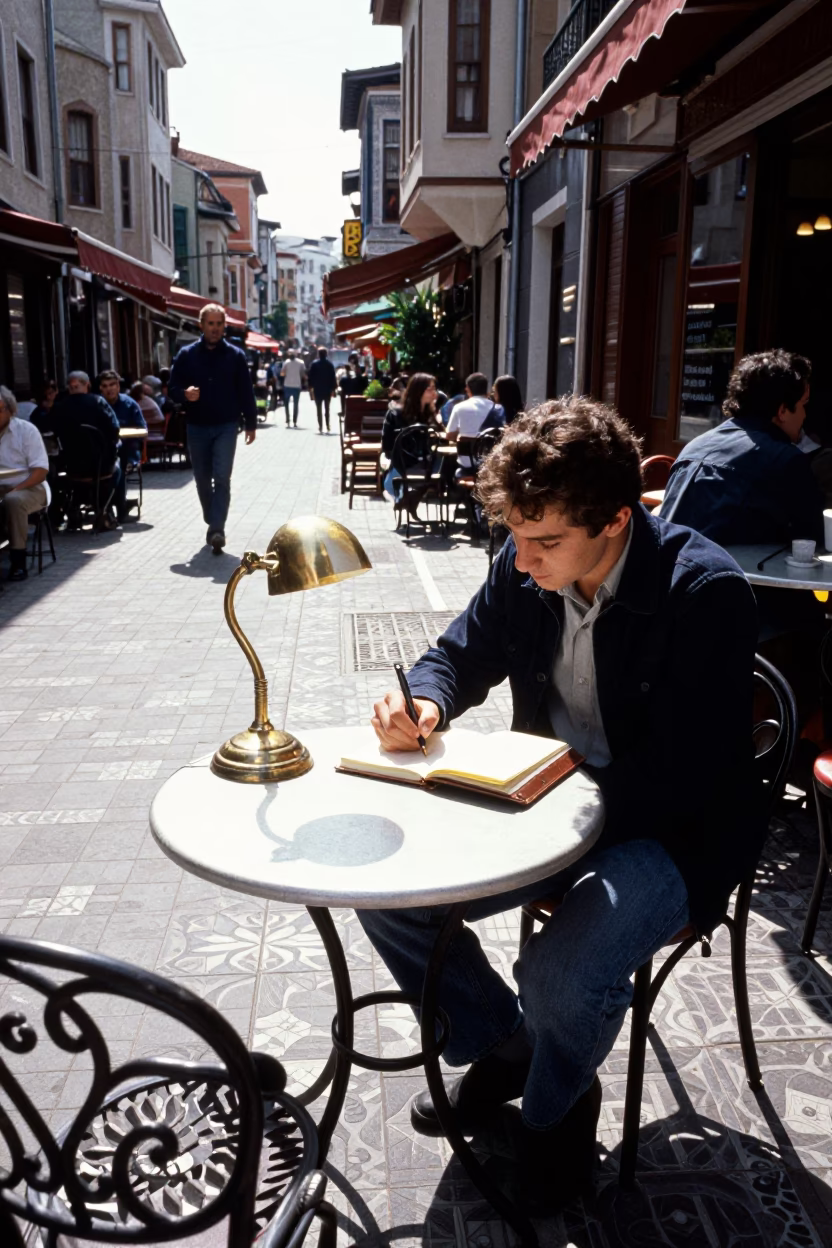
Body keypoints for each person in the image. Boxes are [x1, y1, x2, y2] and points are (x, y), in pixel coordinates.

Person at [359, 397, 763, 1211]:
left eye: (546, 542)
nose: (523, 558)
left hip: (672, 833)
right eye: (516, 534)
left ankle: (555, 1106)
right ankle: (501, 1043)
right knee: (391, 894)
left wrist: (550, 806)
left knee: (564, 974)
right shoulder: (525, 563)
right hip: (545, 809)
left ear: (616, 520)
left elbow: (688, 776)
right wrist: (427, 705)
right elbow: (456, 653)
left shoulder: (702, 590)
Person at [662, 350, 822, 549]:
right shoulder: (786, 460)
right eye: (802, 405)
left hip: (665, 573)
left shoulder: (694, 446)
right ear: (782, 411)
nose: (805, 415)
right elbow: (810, 544)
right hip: (733, 578)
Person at [168, 303, 257, 553]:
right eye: (211, 324)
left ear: (224, 326)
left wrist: (251, 423)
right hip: (196, 426)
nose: (215, 329)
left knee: (222, 478)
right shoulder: (186, 355)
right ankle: (213, 518)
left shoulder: (236, 356)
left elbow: (245, 392)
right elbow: (172, 389)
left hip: (227, 425)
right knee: (202, 481)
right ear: (201, 325)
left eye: (219, 324)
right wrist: (185, 394)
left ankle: (217, 528)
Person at [50, 371, 125, 529]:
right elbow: (114, 429)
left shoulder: (59, 407)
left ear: (69, 387)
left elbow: (53, 433)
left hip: (72, 467)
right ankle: (106, 509)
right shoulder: (98, 402)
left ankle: (75, 507)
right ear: (87, 385)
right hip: (102, 466)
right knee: (118, 467)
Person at [0, 385, 50, 581]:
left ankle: (18, 561)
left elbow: (40, 471)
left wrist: (16, 488)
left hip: (29, 486)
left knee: (13, 500)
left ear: (10, 409)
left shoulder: (26, 431)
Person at [381, 373, 438, 503]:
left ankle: (410, 499)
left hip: (424, 463)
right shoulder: (397, 414)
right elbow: (388, 444)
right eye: (430, 389)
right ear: (418, 391)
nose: (434, 392)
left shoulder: (428, 412)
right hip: (407, 463)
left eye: (434, 388)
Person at [98, 371, 146, 520]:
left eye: (112, 385)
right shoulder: (97, 405)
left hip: (127, 451)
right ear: (100, 388)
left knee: (119, 462)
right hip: (102, 453)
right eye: (105, 386)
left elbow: (142, 429)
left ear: (118, 386)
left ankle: (119, 509)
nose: (109, 389)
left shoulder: (129, 404)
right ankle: (109, 508)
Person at [446, 373, 499, 469]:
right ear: (486, 389)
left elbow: (449, 436)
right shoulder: (497, 408)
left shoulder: (459, 407)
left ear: (468, 389)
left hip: (466, 463)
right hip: (488, 463)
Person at [307, 347, 338, 434]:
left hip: (317, 390)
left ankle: (320, 426)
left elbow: (310, 377)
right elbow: (333, 378)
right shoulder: (329, 364)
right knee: (327, 409)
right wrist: (334, 389)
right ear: (326, 354)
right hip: (327, 390)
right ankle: (327, 425)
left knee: (318, 409)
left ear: (318, 354)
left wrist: (310, 387)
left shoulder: (314, 364)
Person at [281, 349, 306, 428]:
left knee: (286, 404)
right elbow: (303, 374)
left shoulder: (286, 362)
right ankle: (294, 421)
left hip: (287, 385)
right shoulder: (301, 362)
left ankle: (288, 420)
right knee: (295, 404)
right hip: (297, 385)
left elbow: (282, 373)